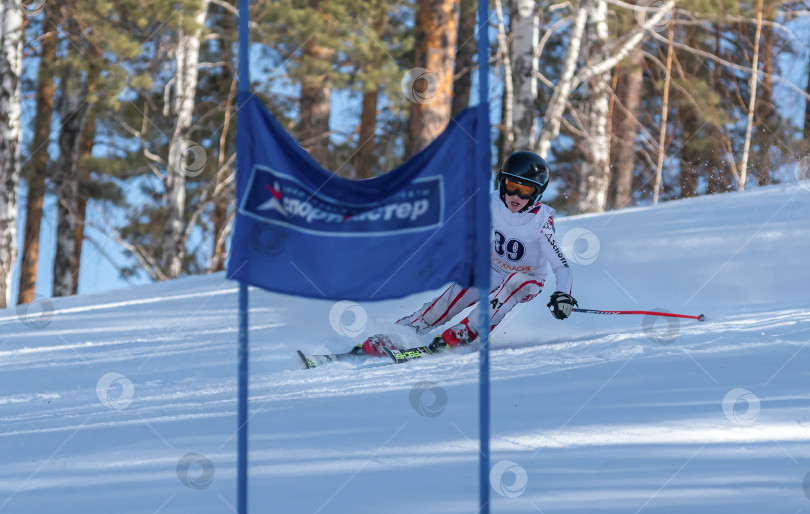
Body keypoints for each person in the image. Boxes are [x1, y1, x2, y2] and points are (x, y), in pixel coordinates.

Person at [354, 151, 577, 357]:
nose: (515, 195)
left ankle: (468, 330)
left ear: (537, 193)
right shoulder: (492, 202)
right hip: (494, 268)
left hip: (529, 279)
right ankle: (403, 332)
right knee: (454, 295)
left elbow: (561, 266)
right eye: (510, 185)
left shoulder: (541, 221)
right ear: (501, 182)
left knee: (513, 283)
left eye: (525, 190)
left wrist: (563, 295)